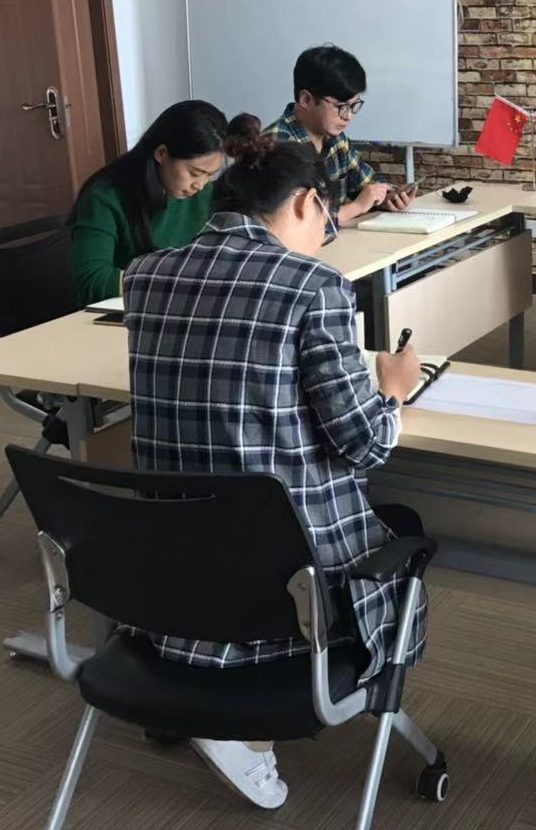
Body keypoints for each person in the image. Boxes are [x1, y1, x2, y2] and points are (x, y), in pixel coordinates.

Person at [122, 120, 425, 808]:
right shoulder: (314, 286)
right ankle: (238, 725)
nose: (326, 234)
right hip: (287, 580)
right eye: (327, 217)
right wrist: (394, 390)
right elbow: (366, 444)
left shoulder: (144, 276)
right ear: (306, 202)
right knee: (398, 521)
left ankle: (196, 690)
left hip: (171, 569)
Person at [68, 100, 241, 305]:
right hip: (125, 312)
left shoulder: (205, 195)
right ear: (161, 154)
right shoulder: (105, 196)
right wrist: (173, 281)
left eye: (210, 175)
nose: (200, 185)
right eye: (194, 173)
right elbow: (92, 280)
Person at [263, 44, 414, 225]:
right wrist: (356, 207)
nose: (348, 116)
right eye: (341, 107)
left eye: (354, 106)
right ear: (306, 100)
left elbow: (367, 185)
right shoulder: (276, 146)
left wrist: (389, 197)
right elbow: (292, 224)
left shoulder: (336, 139)